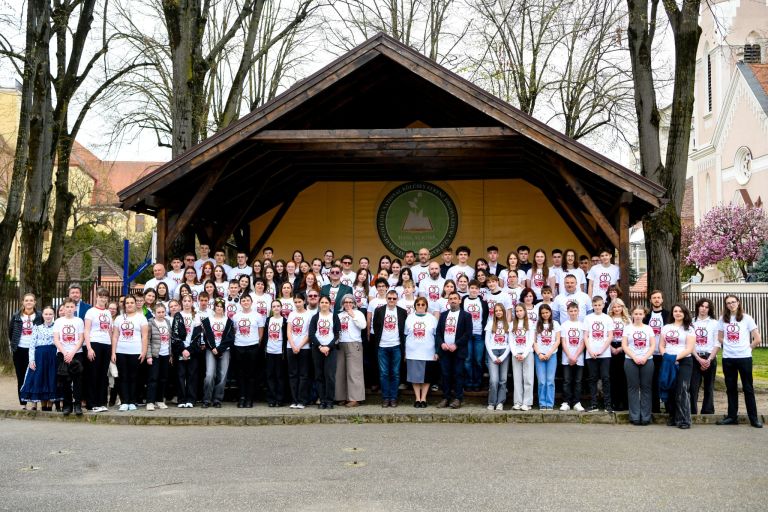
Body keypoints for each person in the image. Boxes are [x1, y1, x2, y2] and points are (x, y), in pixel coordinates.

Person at [716, 295, 763, 428]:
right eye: (728, 303)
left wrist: (748, 348)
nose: (731, 305)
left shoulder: (747, 318)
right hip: (728, 358)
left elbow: (757, 339)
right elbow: (719, 337)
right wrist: (728, 344)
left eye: (733, 302)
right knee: (731, 388)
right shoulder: (722, 319)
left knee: (748, 388)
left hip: (744, 358)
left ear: (738, 303)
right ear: (726, 305)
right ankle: (732, 417)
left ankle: (753, 419)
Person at [659, 303, 695, 429]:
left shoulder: (689, 329)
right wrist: (667, 358)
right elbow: (661, 345)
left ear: (684, 313)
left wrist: (675, 358)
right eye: (675, 311)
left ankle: (684, 420)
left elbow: (689, 349)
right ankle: (673, 417)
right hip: (668, 361)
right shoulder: (666, 328)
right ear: (672, 313)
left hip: (685, 361)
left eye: (680, 311)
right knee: (670, 388)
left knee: (682, 390)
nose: (678, 313)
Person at [111, 295, 148, 412]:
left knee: (134, 377)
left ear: (135, 304)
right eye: (127, 303)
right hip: (121, 351)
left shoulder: (141, 318)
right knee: (123, 377)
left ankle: (132, 401)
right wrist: (113, 352)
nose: (129, 305)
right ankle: (124, 401)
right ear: (124, 305)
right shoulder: (119, 319)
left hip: (136, 352)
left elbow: (145, 336)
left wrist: (144, 351)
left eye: (132, 302)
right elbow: (115, 336)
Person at [435, 292, 472, 409]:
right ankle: (446, 398)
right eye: (450, 299)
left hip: (459, 350)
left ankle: (458, 398)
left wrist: (456, 344)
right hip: (445, 350)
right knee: (445, 374)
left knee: (458, 374)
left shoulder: (466, 315)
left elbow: (468, 333)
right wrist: (441, 343)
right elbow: (438, 332)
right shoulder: (443, 315)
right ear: (448, 301)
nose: (453, 300)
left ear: (460, 300)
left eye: (455, 298)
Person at [371, 290, 407, 407]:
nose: (391, 300)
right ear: (386, 298)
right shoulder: (379, 310)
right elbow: (376, 327)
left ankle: (394, 398)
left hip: (396, 346)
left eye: (394, 298)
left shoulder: (402, 312)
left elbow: (403, 330)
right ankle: (386, 398)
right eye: (389, 298)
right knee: (384, 373)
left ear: (397, 299)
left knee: (395, 373)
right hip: (382, 346)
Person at [622, 305, 656, 426]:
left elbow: (653, 345)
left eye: (640, 314)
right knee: (633, 388)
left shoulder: (648, 328)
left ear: (644, 315)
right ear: (632, 314)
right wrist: (634, 357)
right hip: (631, 360)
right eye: (635, 314)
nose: (637, 316)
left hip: (647, 360)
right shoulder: (627, 328)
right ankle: (635, 416)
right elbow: (624, 345)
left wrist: (645, 357)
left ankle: (646, 416)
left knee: (646, 387)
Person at [20, 306, 58, 411]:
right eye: (46, 314)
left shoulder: (57, 327)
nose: (48, 316)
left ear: (54, 315)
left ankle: (50, 406)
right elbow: (32, 345)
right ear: (42, 315)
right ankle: (43, 406)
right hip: (40, 357)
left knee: (51, 378)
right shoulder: (37, 327)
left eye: (50, 314)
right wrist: (31, 360)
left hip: (53, 356)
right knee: (40, 379)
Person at [9, 293, 43, 409]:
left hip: (34, 350)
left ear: (34, 302)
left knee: (34, 376)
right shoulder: (16, 316)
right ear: (23, 302)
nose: (29, 302)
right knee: (21, 376)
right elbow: (11, 332)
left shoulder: (39, 316)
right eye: (26, 300)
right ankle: (23, 403)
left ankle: (34, 402)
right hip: (19, 350)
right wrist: (15, 345)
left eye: (31, 300)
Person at [54, 299, 86, 416]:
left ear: (75, 308)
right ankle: (67, 405)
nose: (69, 309)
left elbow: (81, 338)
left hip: (76, 353)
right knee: (65, 380)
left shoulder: (79, 321)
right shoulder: (58, 321)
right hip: (62, 353)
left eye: (72, 307)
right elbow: (56, 339)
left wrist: (72, 352)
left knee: (77, 380)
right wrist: (65, 353)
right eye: (67, 307)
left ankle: (77, 404)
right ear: (63, 307)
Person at [83, 287, 113, 412]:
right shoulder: (91, 312)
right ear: (97, 297)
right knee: (93, 374)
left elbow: (110, 331)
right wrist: (89, 348)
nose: (103, 299)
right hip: (94, 343)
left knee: (102, 374)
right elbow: (86, 330)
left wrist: (112, 348)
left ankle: (101, 402)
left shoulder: (108, 313)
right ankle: (91, 403)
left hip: (106, 344)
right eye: (101, 297)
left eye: (105, 297)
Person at [231, 294, 264, 408]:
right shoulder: (236, 316)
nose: (245, 302)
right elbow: (234, 331)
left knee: (251, 374)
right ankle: (242, 397)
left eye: (247, 300)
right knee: (240, 373)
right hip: (239, 346)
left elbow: (261, 333)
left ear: (251, 302)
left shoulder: (258, 316)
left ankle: (249, 398)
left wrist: (256, 344)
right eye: (243, 300)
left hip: (253, 347)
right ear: (240, 303)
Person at [405, 297, 438, 408]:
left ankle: (423, 398)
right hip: (412, 351)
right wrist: (405, 351)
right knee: (414, 376)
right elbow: (405, 334)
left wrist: (436, 351)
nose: (420, 306)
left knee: (426, 377)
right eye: (418, 304)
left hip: (428, 351)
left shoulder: (432, 318)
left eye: (423, 304)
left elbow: (436, 335)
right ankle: (417, 398)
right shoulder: (409, 318)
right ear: (415, 306)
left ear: (426, 306)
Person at [309, 295, 341, 409]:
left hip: (331, 350)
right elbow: (311, 334)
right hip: (317, 349)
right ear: (319, 304)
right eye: (322, 302)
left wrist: (328, 347)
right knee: (319, 376)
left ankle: (329, 400)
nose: (324, 304)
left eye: (326, 302)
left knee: (330, 375)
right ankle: (322, 400)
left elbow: (337, 334)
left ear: (330, 304)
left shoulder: (334, 317)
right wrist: (320, 347)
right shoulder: (315, 317)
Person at [335, 294, 367, 407]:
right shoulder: (339, 315)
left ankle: (355, 398)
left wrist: (353, 315)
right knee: (340, 372)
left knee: (354, 372)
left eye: (350, 302)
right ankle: (342, 397)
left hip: (354, 343)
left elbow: (363, 326)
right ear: (342, 304)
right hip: (341, 344)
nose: (348, 304)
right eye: (346, 302)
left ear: (354, 303)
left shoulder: (358, 313)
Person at [171, 295, 201, 408]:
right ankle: (181, 399)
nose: (187, 303)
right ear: (181, 303)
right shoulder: (178, 316)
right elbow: (175, 334)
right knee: (180, 375)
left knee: (192, 375)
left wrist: (189, 350)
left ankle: (191, 399)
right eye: (185, 301)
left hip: (192, 351)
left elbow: (198, 336)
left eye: (189, 301)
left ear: (192, 302)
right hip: (180, 351)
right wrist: (182, 349)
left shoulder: (196, 316)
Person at [584, 296, 613, 412]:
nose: (597, 307)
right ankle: (593, 404)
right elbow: (585, 336)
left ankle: (607, 404)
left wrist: (601, 350)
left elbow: (610, 336)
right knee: (592, 379)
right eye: (595, 305)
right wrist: (590, 351)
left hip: (605, 354)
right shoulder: (588, 318)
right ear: (592, 306)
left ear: (603, 305)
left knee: (605, 378)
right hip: (591, 353)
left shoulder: (607, 318)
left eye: (599, 305)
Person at [690, 298, 719, 415]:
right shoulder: (691, 322)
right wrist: (698, 358)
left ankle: (707, 411)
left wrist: (709, 359)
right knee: (693, 386)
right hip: (694, 357)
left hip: (710, 357)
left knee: (709, 386)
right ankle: (692, 411)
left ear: (709, 309)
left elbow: (717, 343)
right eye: (702, 306)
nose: (703, 309)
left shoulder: (715, 323)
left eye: (707, 307)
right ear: (698, 307)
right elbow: (689, 343)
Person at [286, 293, 314, 409]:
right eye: (295, 302)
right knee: (293, 374)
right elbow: (289, 331)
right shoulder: (291, 314)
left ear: (304, 301)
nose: (297, 304)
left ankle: (302, 400)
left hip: (304, 348)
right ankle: (294, 400)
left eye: (299, 302)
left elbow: (309, 333)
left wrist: (299, 346)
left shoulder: (309, 314)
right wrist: (293, 345)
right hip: (291, 347)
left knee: (303, 375)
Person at [644, 290, 669, 414]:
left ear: (662, 299)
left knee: (666, 380)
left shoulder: (668, 315)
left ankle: (669, 407)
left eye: (659, 297)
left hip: (665, 354)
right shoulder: (646, 316)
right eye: (654, 298)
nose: (657, 300)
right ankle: (655, 409)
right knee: (652, 381)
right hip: (650, 354)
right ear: (650, 300)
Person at [462, 280, 489, 392]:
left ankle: (478, 383)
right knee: (467, 359)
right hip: (467, 334)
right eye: (472, 288)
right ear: (468, 289)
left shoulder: (483, 302)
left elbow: (486, 317)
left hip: (479, 334)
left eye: (476, 288)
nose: (474, 290)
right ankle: (468, 382)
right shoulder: (463, 300)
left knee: (478, 360)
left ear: (479, 290)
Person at [146, 303, 172, 410]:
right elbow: (147, 340)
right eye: (159, 312)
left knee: (163, 378)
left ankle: (160, 400)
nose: (161, 314)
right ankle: (150, 402)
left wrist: (170, 354)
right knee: (153, 378)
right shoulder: (150, 323)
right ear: (154, 313)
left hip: (166, 354)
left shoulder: (167, 322)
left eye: (163, 312)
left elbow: (170, 340)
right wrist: (149, 356)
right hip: (155, 355)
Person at [559, 303, 585, 412]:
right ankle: (566, 402)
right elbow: (563, 342)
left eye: (575, 311)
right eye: (571, 311)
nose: (573, 313)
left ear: (578, 311)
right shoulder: (564, 325)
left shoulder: (582, 325)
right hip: (567, 357)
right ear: (567, 312)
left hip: (579, 357)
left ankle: (576, 402)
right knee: (567, 380)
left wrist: (575, 356)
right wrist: (570, 356)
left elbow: (583, 342)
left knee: (578, 381)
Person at [533, 304, 560, 410]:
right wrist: (539, 353)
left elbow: (558, 340)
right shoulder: (536, 324)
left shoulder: (555, 324)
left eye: (547, 312)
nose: (545, 314)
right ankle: (542, 403)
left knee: (550, 380)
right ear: (540, 314)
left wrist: (549, 353)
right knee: (541, 381)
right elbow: (534, 341)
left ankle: (549, 403)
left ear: (550, 312)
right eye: (543, 313)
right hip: (539, 355)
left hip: (551, 355)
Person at [509, 303, 535, 410]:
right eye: (517, 311)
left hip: (527, 353)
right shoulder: (512, 324)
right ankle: (518, 402)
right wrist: (515, 353)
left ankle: (527, 403)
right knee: (517, 379)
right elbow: (511, 340)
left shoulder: (530, 323)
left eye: (521, 310)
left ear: (524, 311)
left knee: (528, 378)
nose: (519, 313)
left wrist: (524, 354)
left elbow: (531, 340)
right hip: (516, 354)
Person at [262, 300, 288, 407]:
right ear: (271, 309)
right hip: (269, 351)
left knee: (280, 376)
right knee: (270, 376)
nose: (276, 308)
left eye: (278, 306)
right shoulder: (268, 320)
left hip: (280, 352)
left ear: (281, 308)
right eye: (274, 306)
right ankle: (271, 399)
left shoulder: (285, 321)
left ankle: (280, 399)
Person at [485, 304, 510, 410]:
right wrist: (493, 356)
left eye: (500, 310)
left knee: (503, 379)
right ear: (494, 313)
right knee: (494, 380)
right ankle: (492, 402)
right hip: (493, 352)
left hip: (504, 352)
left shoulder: (508, 324)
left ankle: (500, 402)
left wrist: (503, 357)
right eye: (496, 311)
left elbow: (510, 342)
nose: (498, 312)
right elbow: (487, 341)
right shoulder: (490, 323)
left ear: (504, 312)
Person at [608, 299, 630, 411]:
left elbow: (630, 336)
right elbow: (604, 336)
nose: (617, 309)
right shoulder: (608, 319)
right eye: (614, 307)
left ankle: (624, 402)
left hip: (623, 347)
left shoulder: (628, 320)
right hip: (610, 347)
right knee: (613, 376)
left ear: (622, 307)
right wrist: (611, 348)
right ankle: (614, 402)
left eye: (619, 306)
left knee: (623, 376)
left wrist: (622, 348)